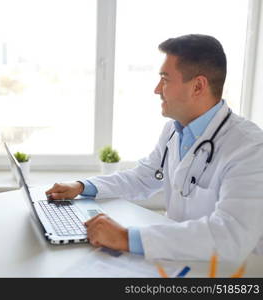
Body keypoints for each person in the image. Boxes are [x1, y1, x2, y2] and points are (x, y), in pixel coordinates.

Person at [46, 34, 263, 263]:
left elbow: (230, 235)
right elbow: (143, 177)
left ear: (198, 86)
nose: (157, 89)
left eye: (165, 79)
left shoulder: (250, 148)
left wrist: (127, 237)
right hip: (180, 261)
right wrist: (82, 186)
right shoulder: (174, 130)